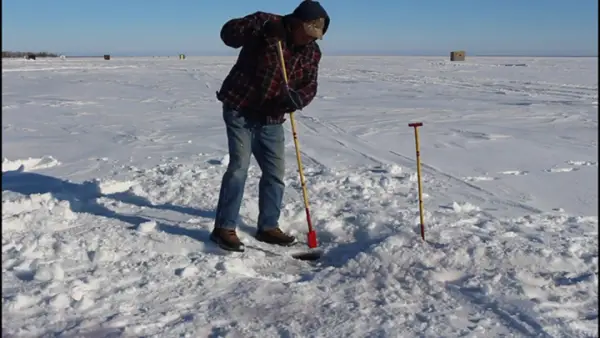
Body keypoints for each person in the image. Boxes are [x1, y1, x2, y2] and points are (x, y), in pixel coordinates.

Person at [210, 0, 330, 252]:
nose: (309, 40)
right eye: (307, 33)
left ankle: (268, 227)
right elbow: (228, 35)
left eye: (314, 37)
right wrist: (259, 30)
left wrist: (298, 99)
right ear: (296, 23)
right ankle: (224, 228)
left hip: (272, 118)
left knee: (275, 174)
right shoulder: (266, 22)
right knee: (238, 168)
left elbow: (310, 85)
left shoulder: (311, 52)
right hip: (239, 108)